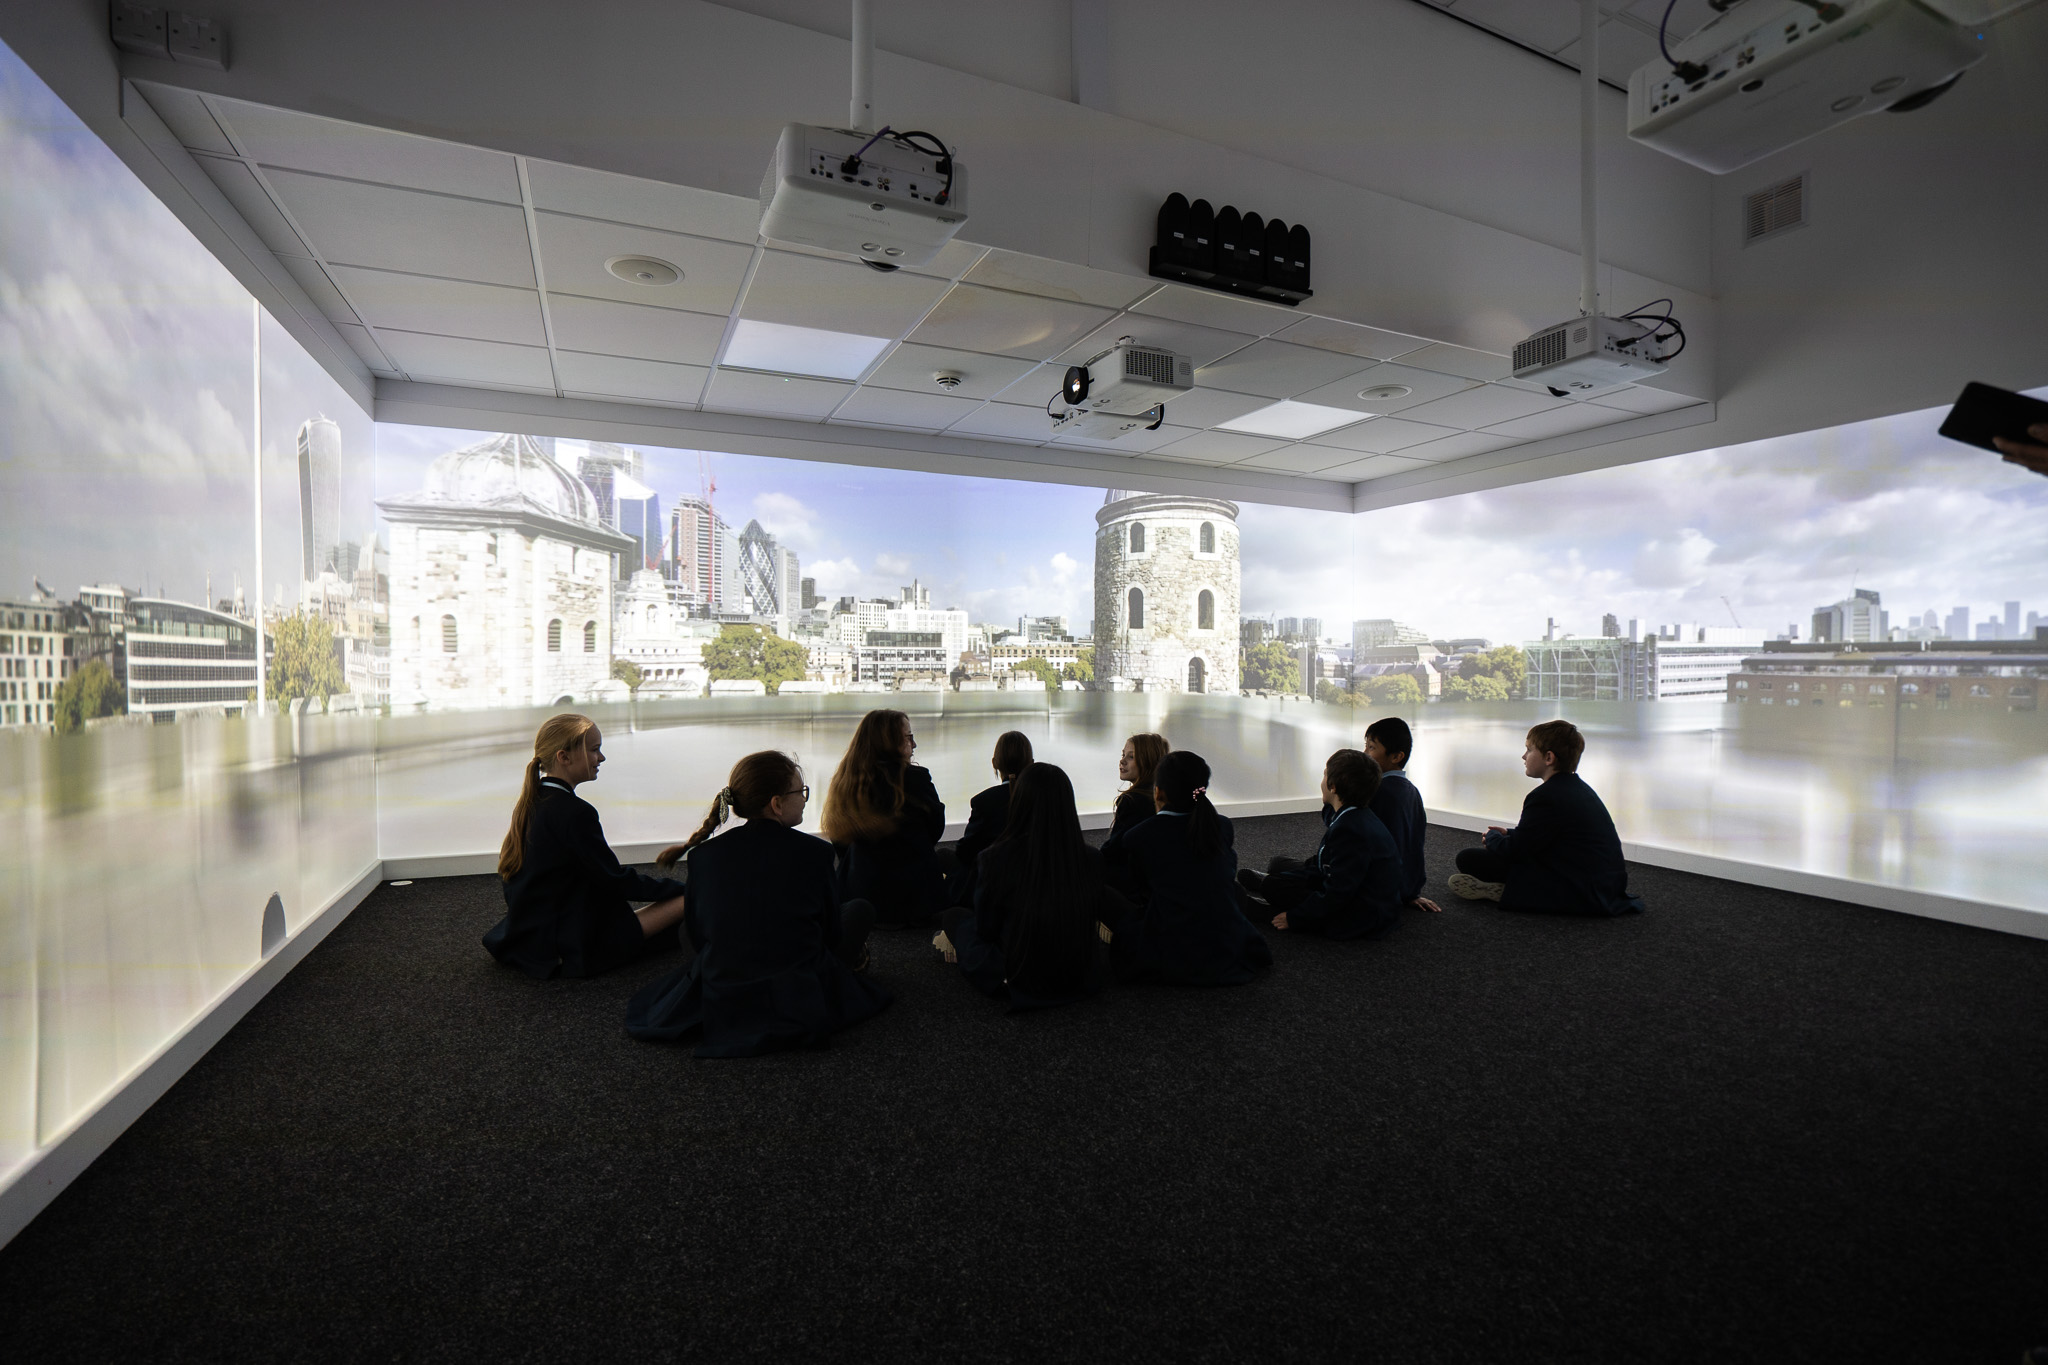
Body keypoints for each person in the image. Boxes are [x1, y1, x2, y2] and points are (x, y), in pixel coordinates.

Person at [625, 751, 891, 1057]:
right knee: (859, 909)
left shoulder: (703, 856)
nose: (805, 799)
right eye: (800, 791)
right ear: (776, 804)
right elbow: (830, 934)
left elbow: (698, 935)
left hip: (727, 985)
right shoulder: (815, 853)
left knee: (690, 929)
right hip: (796, 987)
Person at [484, 713, 690, 979]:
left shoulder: (533, 803)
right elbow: (616, 881)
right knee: (690, 900)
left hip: (533, 934)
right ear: (564, 757)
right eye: (595, 750)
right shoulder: (574, 812)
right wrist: (683, 888)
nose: (601, 758)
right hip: (567, 944)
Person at [938, 763, 1128, 1011]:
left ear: (1020, 803)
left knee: (955, 917)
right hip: (1080, 976)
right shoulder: (1091, 858)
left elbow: (986, 929)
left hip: (1022, 977)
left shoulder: (995, 858)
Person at [1446, 719, 1646, 917]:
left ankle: (1515, 891)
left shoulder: (1545, 796)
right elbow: (1549, 834)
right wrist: (1509, 833)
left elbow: (1517, 851)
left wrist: (1492, 838)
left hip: (1580, 890)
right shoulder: (1579, 789)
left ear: (1549, 758)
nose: (1523, 756)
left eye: (1529, 749)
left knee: (1468, 858)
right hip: (1606, 885)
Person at [1109, 750, 1271, 986]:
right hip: (1222, 945)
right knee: (1231, 890)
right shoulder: (1222, 826)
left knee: (1108, 897)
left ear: (1158, 791)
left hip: (1175, 945)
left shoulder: (1139, 836)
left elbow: (1141, 890)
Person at [1240, 749, 1404, 940]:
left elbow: (1338, 892)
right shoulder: (1355, 816)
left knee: (1273, 887)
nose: (1321, 781)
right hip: (1366, 897)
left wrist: (1296, 918)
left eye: (1324, 775)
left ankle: (1271, 910)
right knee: (1278, 871)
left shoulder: (1351, 830)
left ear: (1333, 786)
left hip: (1362, 916)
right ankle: (1272, 883)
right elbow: (1327, 864)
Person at [821, 709, 947, 927]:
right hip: (917, 903)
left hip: (858, 895)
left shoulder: (846, 782)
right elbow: (935, 829)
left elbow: (839, 839)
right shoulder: (916, 779)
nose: (914, 744)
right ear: (889, 741)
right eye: (909, 737)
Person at [1362, 717, 1443, 914]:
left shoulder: (1378, 792)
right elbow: (1412, 845)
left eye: (1371, 747)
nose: (1364, 753)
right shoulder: (1412, 791)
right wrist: (1410, 891)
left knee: (1281, 866)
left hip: (1375, 890)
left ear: (1396, 756)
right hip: (1404, 888)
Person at [945, 730, 1032, 908]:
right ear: (1031, 764)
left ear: (995, 763)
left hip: (991, 887)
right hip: (1034, 882)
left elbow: (967, 850)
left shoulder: (985, 801)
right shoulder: (1046, 799)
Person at [1099, 731, 1168, 885]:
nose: (1122, 761)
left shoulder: (1132, 801)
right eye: (1123, 755)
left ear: (1148, 761)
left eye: (1131, 757)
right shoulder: (1163, 797)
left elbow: (1115, 851)